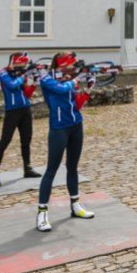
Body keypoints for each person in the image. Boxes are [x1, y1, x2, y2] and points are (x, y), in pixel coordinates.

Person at [36, 51, 94, 232]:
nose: (74, 68)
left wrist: (88, 88)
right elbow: (61, 89)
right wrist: (76, 80)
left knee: (73, 167)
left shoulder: (69, 78)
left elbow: (76, 103)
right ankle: (42, 213)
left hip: (76, 125)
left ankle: (76, 205)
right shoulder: (47, 79)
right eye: (71, 65)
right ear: (62, 65)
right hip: (59, 129)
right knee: (51, 170)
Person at [0, 52, 42, 187]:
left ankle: (27, 168)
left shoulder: (21, 74)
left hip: (25, 109)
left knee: (26, 140)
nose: (24, 66)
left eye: (25, 65)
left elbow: (27, 93)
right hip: (12, 111)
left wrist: (34, 82)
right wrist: (24, 75)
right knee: (5, 141)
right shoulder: (3, 73)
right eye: (22, 64)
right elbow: (12, 85)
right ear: (15, 63)